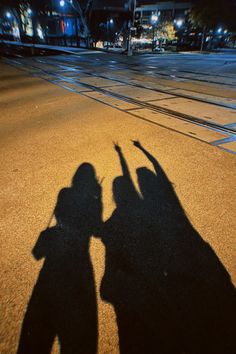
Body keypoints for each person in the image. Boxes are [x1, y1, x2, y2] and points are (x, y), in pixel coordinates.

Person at [18, 163, 102, 354]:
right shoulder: (92, 199)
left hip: (52, 266)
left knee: (38, 334)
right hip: (80, 264)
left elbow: (58, 212)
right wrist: (98, 198)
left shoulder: (64, 193)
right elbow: (97, 231)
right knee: (78, 335)